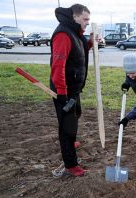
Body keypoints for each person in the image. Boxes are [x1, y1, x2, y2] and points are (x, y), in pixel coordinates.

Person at [50, 4, 94, 177]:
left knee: (76, 115)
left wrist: (90, 43)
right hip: (64, 90)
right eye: (85, 19)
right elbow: (58, 65)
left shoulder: (75, 32)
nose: (87, 23)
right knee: (67, 127)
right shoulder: (63, 34)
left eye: (88, 19)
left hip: (74, 89)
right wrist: (62, 93)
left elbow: (78, 53)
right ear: (75, 17)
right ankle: (71, 165)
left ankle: (71, 141)